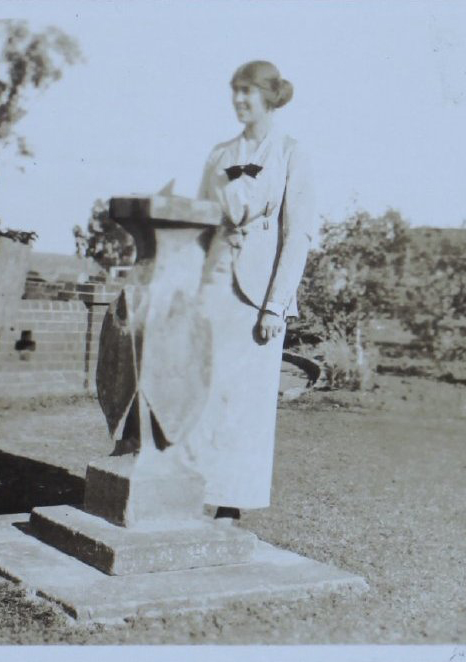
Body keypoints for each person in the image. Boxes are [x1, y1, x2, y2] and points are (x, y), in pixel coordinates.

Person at [187, 60, 316, 521]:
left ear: (268, 96)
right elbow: (202, 223)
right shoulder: (219, 154)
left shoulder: (290, 152)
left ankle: (230, 504)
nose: (239, 100)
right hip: (216, 281)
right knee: (203, 388)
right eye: (234, 91)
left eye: (247, 91)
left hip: (258, 291)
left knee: (247, 400)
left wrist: (276, 305)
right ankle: (190, 490)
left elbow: (297, 232)